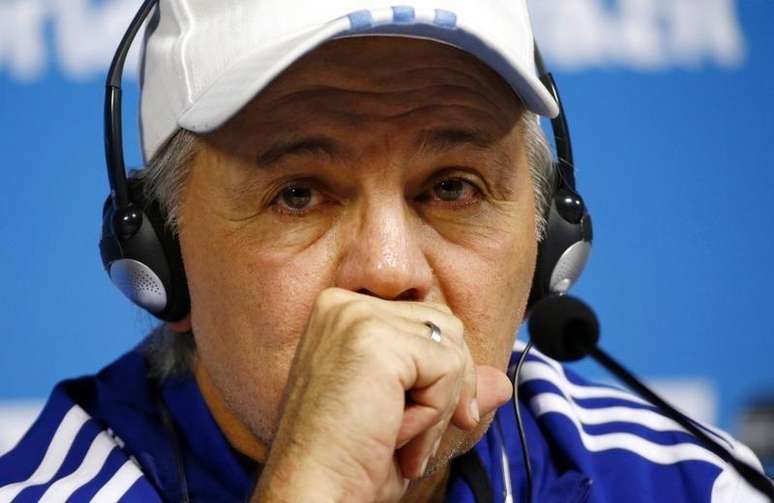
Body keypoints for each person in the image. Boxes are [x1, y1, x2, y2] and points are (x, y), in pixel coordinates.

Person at [0, 1, 767, 501]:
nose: (391, 270)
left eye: (454, 187)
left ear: (548, 239)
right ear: (161, 261)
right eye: (298, 193)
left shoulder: (684, 480)